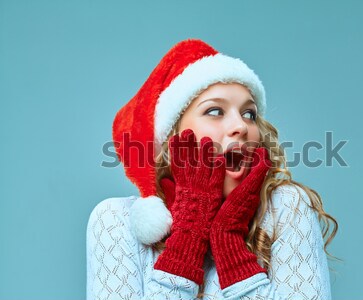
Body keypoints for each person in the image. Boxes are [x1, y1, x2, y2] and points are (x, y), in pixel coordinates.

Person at [86, 39, 338, 300]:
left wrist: (229, 242)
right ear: (173, 137)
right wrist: (189, 235)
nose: (240, 126)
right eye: (215, 111)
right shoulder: (115, 221)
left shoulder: (285, 208)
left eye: (249, 113)